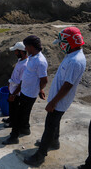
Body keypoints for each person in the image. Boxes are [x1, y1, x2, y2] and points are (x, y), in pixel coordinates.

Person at [24, 27, 86, 166]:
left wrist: (53, 102)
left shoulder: (75, 61)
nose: (59, 45)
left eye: (61, 43)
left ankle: (40, 156)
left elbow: (67, 86)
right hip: (58, 98)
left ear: (69, 43)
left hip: (60, 101)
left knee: (49, 125)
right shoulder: (72, 54)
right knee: (54, 122)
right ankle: (54, 141)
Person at [2, 35, 48, 145]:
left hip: (29, 93)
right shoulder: (32, 57)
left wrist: (39, 90)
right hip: (25, 91)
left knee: (18, 115)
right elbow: (28, 76)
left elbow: (44, 80)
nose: (25, 49)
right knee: (24, 114)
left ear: (31, 46)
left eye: (26, 46)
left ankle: (14, 137)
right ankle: (25, 129)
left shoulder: (40, 61)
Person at [2, 42, 28, 128]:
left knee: (15, 108)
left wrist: (13, 94)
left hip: (17, 92)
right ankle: (11, 118)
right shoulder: (20, 60)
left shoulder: (25, 66)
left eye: (16, 51)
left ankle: (13, 123)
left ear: (21, 51)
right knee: (11, 106)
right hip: (13, 89)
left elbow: (22, 83)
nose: (15, 53)